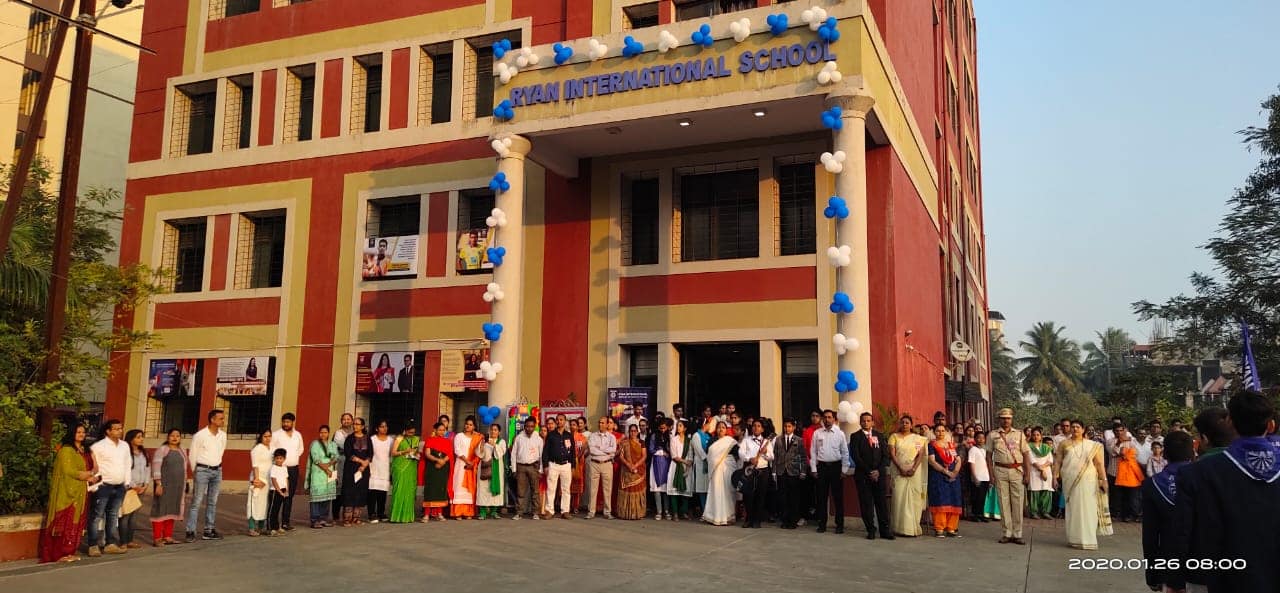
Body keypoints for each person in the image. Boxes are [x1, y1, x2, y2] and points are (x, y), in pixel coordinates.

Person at [1172, 390, 1280, 593]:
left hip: (1226, 579)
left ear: (1230, 422)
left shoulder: (1196, 473)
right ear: (1271, 425)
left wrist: (1175, 580)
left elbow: (1181, 531)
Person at [1142, 431, 1192, 593]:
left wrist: (1152, 574)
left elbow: (1150, 535)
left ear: (1165, 453)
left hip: (1169, 563)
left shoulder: (1153, 484)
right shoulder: (1205, 478)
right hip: (1205, 563)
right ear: (1192, 452)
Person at [39, 425, 97, 563]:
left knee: (76, 523)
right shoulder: (66, 450)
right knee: (64, 522)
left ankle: (69, 552)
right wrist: (88, 475)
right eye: (78, 432)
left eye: (83, 432)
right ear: (72, 433)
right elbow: (68, 471)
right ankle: (58, 554)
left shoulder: (83, 450)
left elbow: (93, 468)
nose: (81, 434)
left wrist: (91, 470)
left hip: (80, 492)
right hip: (66, 493)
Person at [1052, 419, 1107, 550]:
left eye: (1078, 427)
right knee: (1073, 509)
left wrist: (1103, 480)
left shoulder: (1093, 445)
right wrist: (1054, 477)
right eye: (1073, 427)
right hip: (1070, 481)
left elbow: (1099, 464)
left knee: (1089, 509)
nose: (1075, 429)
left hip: (1088, 481)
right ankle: (1074, 539)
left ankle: (1089, 539)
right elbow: (1058, 462)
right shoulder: (1064, 444)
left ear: (1083, 430)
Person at [87, 419, 132, 557]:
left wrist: (126, 482)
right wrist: (95, 486)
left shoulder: (124, 445)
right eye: (116, 429)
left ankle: (110, 543)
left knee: (113, 515)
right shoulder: (98, 446)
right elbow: (94, 466)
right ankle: (93, 545)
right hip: (103, 486)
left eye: (121, 428)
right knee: (97, 515)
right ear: (108, 431)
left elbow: (127, 464)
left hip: (119, 486)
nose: (120, 431)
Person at [985, 407, 1031, 545]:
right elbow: (988, 456)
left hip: (1017, 471)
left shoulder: (1020, 434)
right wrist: (991, 474)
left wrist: (1027, 473)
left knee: (1017, 502)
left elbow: (1026, 454)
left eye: (1008, 418)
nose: (1006, 420)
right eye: (1003, 418)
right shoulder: (993, 435)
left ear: (1012, 419)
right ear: (999, 419)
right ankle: (1006, 533)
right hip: (1000, 470)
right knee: (1003, 502)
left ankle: (1018, 534)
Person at [850, 412, 891, 539]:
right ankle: (870, 529)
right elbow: (856, 456)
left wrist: (878, 471)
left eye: (868, 420)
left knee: (882, 504)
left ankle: (885, 531)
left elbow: (886, 456)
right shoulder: (855, 436)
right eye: (864, 420)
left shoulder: (879, 435)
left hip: (879, 475)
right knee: (866, 503)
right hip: (863, 475)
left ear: (873, 422)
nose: (866, 423)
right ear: (860, 422)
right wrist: (869, 472)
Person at [809, 409, 850, 534]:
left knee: (838, 498)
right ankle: (822, 524)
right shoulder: (817, 433)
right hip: (822, 467)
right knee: (821, 497)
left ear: (834, 419)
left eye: (829, 417)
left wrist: (844, 469)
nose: (827, 419)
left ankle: (839, 525)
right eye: (825, 417)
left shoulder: (840, 434)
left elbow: (845, 452)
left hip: (836, 468)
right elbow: (813, 452)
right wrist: (814, 469)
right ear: (822, 419)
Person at [889, 415, 927, 537]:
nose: (905, 424)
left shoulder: (918, 439)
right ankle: (899, 528)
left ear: (911, 425)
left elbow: (920, 454)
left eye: (907, 422)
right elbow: (892, 454)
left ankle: (913, 528)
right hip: (898, 471)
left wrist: (914, 468)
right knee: (899, 498)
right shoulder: (894, 437)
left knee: (914, 499)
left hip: (914, 472)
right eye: (903, 422)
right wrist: (901, 467)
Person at [150, 428, 189, 545]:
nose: (175, 438)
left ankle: (167, 536)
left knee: (172, 509)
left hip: (177, 486)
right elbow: (156, 467)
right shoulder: (162, 450)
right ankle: (157, 538)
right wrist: (158, 484)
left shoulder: (182, 450)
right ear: (168, 437)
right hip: (164, 485)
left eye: (177, 435)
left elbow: (184, 468)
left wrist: (186, 483)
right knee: (160, 509)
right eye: (172, 435)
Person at [926, 423, 963, 538]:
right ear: (933, 432)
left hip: (953, 477)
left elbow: (957, 459)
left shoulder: (950, 445)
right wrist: (946, 472)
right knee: (940, 500)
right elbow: (932, 461)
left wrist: (955, 472)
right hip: (938, 476)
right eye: (938, 431)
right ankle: (939, 528)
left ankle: (951, 528)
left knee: (954, 499)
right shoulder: (931, 445)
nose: (940, 433)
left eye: (943, 431)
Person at [271, 412, 305, 531]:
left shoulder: (297, 435)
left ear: (292, 422)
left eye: (288, 422)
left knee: (289, 495)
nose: (286, 424)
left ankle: (286, 522)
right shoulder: (276, 435)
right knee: (279, 495)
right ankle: (273, 523)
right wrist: (280, 463)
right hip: (281, 469)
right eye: (284, 422)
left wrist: (293, 457)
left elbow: (301, 449)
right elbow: (272, 450)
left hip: (293, 468)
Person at [738, 419, 773, 529]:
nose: (756, 428)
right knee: (748, 495)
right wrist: (750, 458)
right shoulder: (746, 440)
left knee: (760, 495)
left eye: (758, 426)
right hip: (749, 470)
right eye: (754, 426)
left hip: (762, 470)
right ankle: (749, 519)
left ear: (762, 429)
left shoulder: (767, 442)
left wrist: (765, 453)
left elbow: (772, 457)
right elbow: (741, 453)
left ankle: (757, 520)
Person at [702, 421, 738, 525]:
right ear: (715, 429)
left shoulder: (730, 441)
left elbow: (737, 453)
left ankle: (729, 516)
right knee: (716, 491)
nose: (721, 429)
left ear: (726, 430)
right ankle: (715, 516)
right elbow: (710, 455)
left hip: (727, 469)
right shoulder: (712, 441)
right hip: (715, 470)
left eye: (723, 427)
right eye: (719, 427)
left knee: (728, 492)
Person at [120, 429, 149, 549]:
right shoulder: (126, 453)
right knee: (126, 515)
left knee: (134, 516)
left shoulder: (144, 453)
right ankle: (123, 542)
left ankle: (130, 540)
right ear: (131, 439)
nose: (141, 439)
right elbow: (125, 471)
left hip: (141, 487)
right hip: (129, 488)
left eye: (141, 437)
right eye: (138, 437)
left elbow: (148, 468)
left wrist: (146, 484)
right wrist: (133, 486)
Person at [543, 414, 575, 519]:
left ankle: (565, 511)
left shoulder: (569, 435)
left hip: (566, 465)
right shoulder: (551, 435)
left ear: (565, 421)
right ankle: (549, 511)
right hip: (553, 464)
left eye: (561, 420)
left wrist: (573, 466)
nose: (559, 421)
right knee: (551, 488)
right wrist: (546, 465)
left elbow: (573, 452)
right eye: (557, 420)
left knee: (566, 489)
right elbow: (546, 451)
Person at [1108, 424, 1143, 522]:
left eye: (1121, 430)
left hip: (1128, 473)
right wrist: (1119, 443)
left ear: (1124, 431)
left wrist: (1125, 453)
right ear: (1113, 432)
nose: (1119, 433)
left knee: (1128, 495)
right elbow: (1112, 452)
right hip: (1114, 472)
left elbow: (1136, 453)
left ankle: (1127, 515)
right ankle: (1115, 514)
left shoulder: (1131, 441)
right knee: (1115, 495)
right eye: (1117, 431)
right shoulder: (1110, 441)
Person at [510, 417, 543, 520]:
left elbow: (542, 456)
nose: (529, 428)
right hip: (521, 467)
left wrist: (541, 470)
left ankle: (535, 512)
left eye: (532, 426)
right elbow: (513, 454)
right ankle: (519, 513)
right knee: (520, 491)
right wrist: (514, 469)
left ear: (535, 427)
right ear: (524, 426)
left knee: (535, 491)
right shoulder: (519, 438)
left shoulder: (538, 439)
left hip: (534, 466)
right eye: (527, 426)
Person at [306, 424, 338, 529]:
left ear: (328, 433)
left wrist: (329, 466)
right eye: (321, 432)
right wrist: (327, 469)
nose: (323, 434)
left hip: (330, 471)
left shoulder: (332, 444)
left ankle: (323, 518)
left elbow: (336, 456)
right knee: (316, 497)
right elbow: (316, 459)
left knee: (327, 496)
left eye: (325, 432)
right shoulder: (315, 444)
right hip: (318, 472)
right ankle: (315, 520)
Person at [451, 416, 483, 519]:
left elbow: (479, 452)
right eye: (466, 424)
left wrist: (472, 463)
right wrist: (467, 461)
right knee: (459, 486)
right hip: (461, 464)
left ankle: (469, 512)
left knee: (470, 489)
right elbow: (457, 450)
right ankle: (458, 512)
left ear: (474, 426)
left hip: (472, 466)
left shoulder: (477, 437)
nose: (467, 426)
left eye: (470, 425)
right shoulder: (459, 436)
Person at [388, 422, 421, 523]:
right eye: (410, 432)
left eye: (413, 432)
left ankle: (407, 517)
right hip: (400, 467)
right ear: (405, 431)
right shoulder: (399, 439)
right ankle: (396, 516)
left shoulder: (416, 439)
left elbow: (416, 451)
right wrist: (405, 451)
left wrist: (417, 455)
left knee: (410, 491)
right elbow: (393, 453)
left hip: (411, 466)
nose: (412, 434)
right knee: (399, 490)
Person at [341, 418, 372, 525]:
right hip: (351, 469)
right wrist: (361, 461)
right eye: (354, 424)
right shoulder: (349, 438)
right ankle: (347, 519)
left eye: (357, 424)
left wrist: (364, 465)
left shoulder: (367, 439)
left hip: (363, 470)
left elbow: (370, 453)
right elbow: (348, 453)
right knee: (349, 492)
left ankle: (356, 518)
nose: (355, 426)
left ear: (363, 426)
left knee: (361, 492)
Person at [586, 416, 617, 519]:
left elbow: (613, 450)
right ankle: (591, 511)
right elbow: (592, 450)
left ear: (608, 424)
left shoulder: (611, 437)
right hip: (594, 463)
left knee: (607, 489)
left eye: (603, 423)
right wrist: (605, 451)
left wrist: (601, 449)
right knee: (592, 489)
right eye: (599, 422)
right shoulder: (593, 436)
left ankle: (607, 512)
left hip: (607, 464)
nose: (600, 424)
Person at [421, 421, 454, 521]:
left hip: (443, 468)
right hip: (432, 468)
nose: (442, 432)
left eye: (443, 430)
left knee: (441, 489)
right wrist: (437, 460)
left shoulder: (447, 441)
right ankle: (426, 514)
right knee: (430, 490)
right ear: (435, 430)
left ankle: (440, 513)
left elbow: (450, 454)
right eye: (440, 430)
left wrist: (443, 461)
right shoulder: (430, 440)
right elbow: (427, 454)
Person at [617, 424, 648, 520]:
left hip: (638, 470)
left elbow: (644, 456)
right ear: (629, 432)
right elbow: (621, 456)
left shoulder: (642, 442)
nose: (633, 433)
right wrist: (629, 465)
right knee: (627, 491)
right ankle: (625, 513)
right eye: (631, 431)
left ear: (638, 432)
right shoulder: (624, 442)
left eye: (635, 431)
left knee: (637, 490)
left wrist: (635, 465)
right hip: (627, 470)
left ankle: (637, 513)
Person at [476, 423, 507, 519]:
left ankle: (494, 511)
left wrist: (494, 445)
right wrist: (481, 447)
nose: (493, 431)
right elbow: (479, 454)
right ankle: (483, 512)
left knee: (495, 491)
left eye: (495, 430)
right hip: (485, 469)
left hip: (497, 469)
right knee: (483, 489)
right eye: (492, 430)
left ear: (499, 432)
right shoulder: (484, 441)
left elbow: (500, 454)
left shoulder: (501, 442)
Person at [668, 419, 695, 520]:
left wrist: (689, 464)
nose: (678, 427)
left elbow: (691, 455)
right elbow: (674, 456)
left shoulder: (689, 441)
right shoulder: (674, 439)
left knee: (686, 491)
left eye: (680, 426)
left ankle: (683, 512)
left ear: (685, 428)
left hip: (687, 467)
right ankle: (675, 513)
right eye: (678, 425)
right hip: (676, 466)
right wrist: (685, 462)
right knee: (674, 491)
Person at [247, 429, 272, 536]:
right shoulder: (257, 449)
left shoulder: (271, 449)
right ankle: (252, 528)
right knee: (254, 503)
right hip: (258, 479)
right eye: (265, 436)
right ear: (261, 437)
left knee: (264, 504)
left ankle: (261, 527)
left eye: (269, 436)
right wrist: (257, 480)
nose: (268, 438)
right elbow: (255, 465)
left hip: (268, 480)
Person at [647, 418, 673, 520]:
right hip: (656, 463)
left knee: (665, 489)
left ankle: (666, 511)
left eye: (665, 428)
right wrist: (662, 452)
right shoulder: (654, 436)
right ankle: (659, 511)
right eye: (661, 428)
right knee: (657, 489)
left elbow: (672, 450)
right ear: (658, 427)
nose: (663, 430)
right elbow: (651, 450)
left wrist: (668, 453)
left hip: (667, 464)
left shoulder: (669, 436)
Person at [331, 413, 355, 522]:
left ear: (352, 421)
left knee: (350, 488)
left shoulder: (356, 433)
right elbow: (343, 446)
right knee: (338, 489)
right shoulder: (338, 433)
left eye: (348, 419)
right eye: (344, 419)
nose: (346, 421)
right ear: (341, 421)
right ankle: (336, 515)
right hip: (340, 462)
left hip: (352, 463)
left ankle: (348, 514)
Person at [1027, 427, 1055, 519]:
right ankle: (1034, 512)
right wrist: (1040, 469)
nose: (1036, 436)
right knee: (1035, 491)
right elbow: (1031, 460)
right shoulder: (1028, 446)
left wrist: (1043, 468)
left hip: (1046, 471)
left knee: (1046, 490)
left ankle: (1045, 512)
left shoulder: (1046, 447)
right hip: (1034, 471)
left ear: (1041, 436)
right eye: (1034, 435)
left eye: (1038, 435)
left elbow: (1050, 460)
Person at [368, 420, 393, 523]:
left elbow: (392, 454)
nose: (384, 428)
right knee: (373, 491)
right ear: (377, 428)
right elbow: (369, 453)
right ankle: (371, 514)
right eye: (382, 426)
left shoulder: (391, 440)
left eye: (386, 426)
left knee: (383, 492)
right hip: (374, 468)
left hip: (385, 468)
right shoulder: (372, 439)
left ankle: (381, 512)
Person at [967, 431, 992, 523]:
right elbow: (971, 464)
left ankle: (981, 514)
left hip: (985, 477)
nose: (981, 440)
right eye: (979, 438)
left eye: (983, 438)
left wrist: (990, 477)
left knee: (983, 497)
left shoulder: (985, 450)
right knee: (976, 497)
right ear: (975, 439)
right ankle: (975, 514)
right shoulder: (973, 449)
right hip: (977, 477)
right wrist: (974, 477)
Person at [266, 449, 289, 536]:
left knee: (278, 509)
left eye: (281, 458)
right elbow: (274, 480)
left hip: (283, 491)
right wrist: (279, 491)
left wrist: (287, 490)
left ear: (284, 458)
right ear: (275, 459)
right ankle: (270, 528)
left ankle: (276, 527)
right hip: (275, 491)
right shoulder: (273, 468)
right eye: (277, 458)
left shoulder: (284, 468)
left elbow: (286, 479)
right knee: (273, 510)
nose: (279, 460)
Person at [691, 418, 711, 513]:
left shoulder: (708, 435)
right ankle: (704, 511)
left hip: (709, 464)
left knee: (708, 488)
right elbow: (699, 450)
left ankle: (708, 511)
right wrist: (707, 458)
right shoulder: (696, 435)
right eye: (708, 424)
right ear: (704, 425)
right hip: (700, 464)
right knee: (702, 488)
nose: (710, 426)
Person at [570, 418, 588, 514]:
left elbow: (585, 449)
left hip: (579, 465)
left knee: (577, 486)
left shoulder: (582, 437)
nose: (572, 426)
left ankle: (576, 506)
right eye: (571, 424)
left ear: (577, 426)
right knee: (568, 486)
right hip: (568, 464)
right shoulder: (566, 436)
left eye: (574, 425)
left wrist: (577, 457)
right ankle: (567, 506)